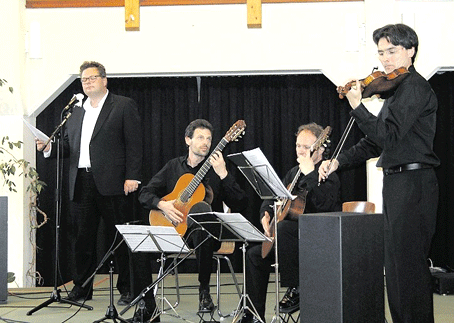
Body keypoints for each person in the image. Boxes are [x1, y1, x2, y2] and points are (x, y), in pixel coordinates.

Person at [319, 24, 440, 323]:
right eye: (381, 53)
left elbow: (389, 138)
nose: (385, 59)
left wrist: (359, 106)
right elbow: (374, 141)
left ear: (410, 51)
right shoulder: (395, 92)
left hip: (414, 183)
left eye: (392, 51)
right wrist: (338, 161)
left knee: (408, 269)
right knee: (397, 267)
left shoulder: (414, 87)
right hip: (398, 182)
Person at [36, 61, 142, 307]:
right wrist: (50, 147)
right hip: (81, 181)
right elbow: (69, 147)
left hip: (115, 182)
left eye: (92, 78)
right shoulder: (75, 111)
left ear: (105, 80)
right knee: (82, 239)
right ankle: (82, 288)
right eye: (84, 79)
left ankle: (127, 287)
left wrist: (133, 176)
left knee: (120, 237)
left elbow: (134, 144)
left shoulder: (123, 105)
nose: (88, 82)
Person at [138, 119, 247, 316]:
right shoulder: (173, 166)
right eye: (200, 137)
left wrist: (223, 174)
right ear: (188, 140)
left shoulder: (217, 167)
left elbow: (240, 202)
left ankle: (204, 291)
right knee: (137, 242)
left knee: (200, 210)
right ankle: (147, 304)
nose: (205, 142)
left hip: (207, 237)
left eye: (209, 139)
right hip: (173, 231)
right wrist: (162, 205)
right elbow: (145, 193)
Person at [240, 123, 341, 323]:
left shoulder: (327, 171)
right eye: (297, 145)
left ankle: (296, 288)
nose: (300, 150)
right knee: (253, 253)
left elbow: (325, 204)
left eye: (306, 146)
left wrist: (311, 173)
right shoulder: (293, 172)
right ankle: (252, 315)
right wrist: (265, 213)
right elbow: (272, 197)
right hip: (290, 242)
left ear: (320, 148)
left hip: (318, 239)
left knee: (285, 228)